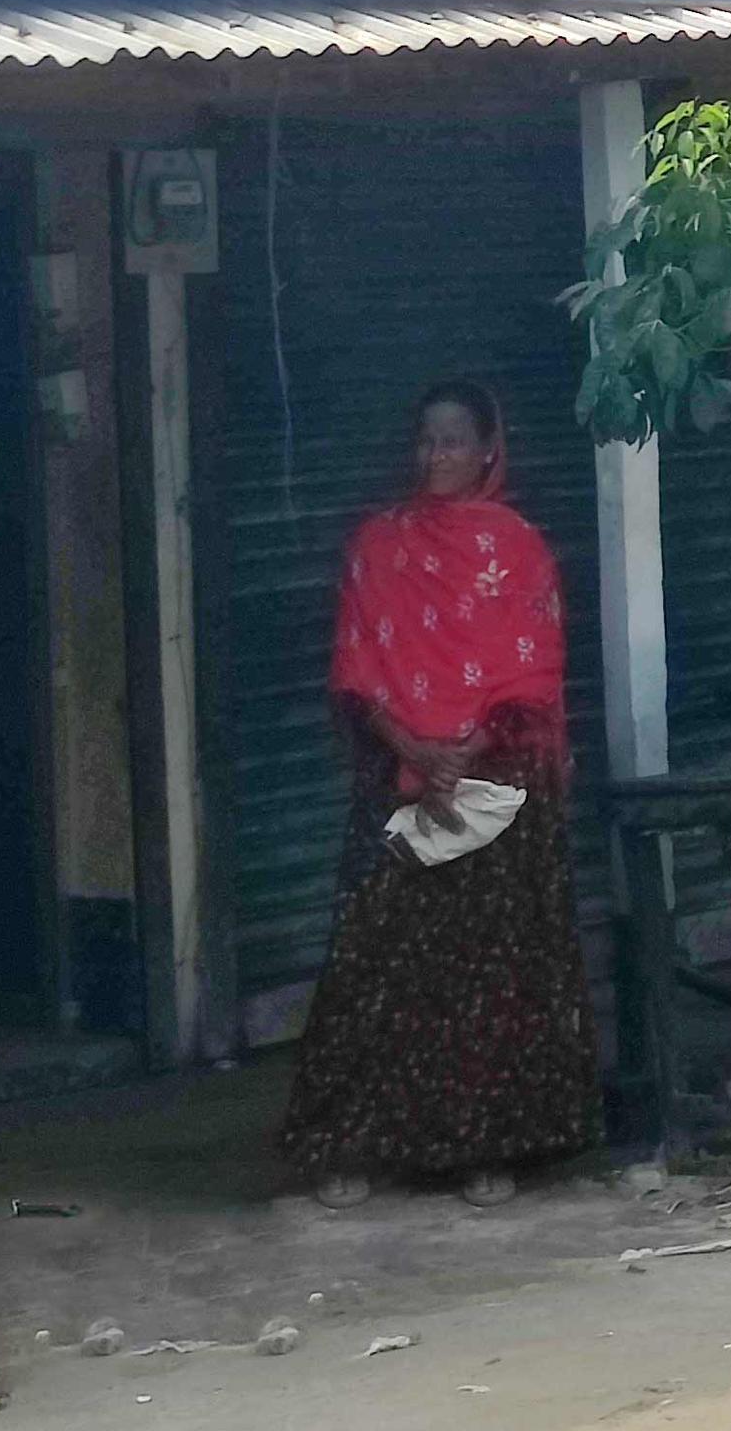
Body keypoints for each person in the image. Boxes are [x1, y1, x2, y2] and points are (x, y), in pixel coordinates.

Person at [278, 381, 597, 1209]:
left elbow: (531, 667)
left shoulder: (519, 548)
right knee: (374, 961)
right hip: (399, 777)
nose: (436, 456)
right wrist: (414, 747)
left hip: (495, 781)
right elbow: (358, 666)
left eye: (453, 440)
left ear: (491, 449)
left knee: (491, 968)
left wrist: (464, 752)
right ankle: (353, 1145)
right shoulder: (379, 546)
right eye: (426, 441)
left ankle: (487, 1150)